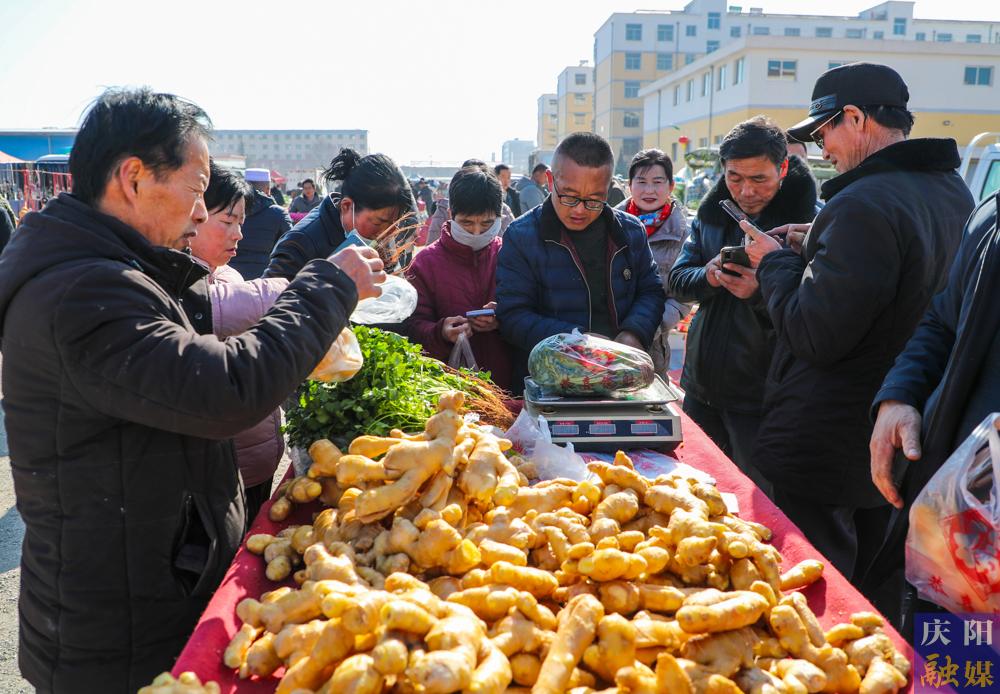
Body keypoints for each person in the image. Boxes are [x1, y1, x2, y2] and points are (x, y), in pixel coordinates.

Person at [0, 87, 384, 692]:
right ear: (133, 178)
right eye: (197, 189)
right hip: (117, 634)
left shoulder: (118, 272)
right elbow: (224, 390)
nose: (203, 213)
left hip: (151, 591)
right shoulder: (82, 294)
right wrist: (325, 288)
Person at [742, 63, 974, 585]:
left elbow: (812, 333)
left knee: (811, 590)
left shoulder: (861, 203)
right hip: (900, 433)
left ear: (855, 117)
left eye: (823, 132)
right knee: (875, 587)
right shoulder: (952, 192)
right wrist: (818, 240)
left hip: (829, 442)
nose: (823, 149)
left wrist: (775, 263)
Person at [863, 191, 999, 629]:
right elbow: (943, 321)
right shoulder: (992, 211)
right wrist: (899, 396)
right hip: (948, 507)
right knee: (940, 651)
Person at [669, 117, 817, 492]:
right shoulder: (711, 213)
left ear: (783, 168)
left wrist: (760, 290)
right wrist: (708, 276)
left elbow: (817, 316)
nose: (745, 191)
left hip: (764, 396)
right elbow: (677, 281)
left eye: (759, 179)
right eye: (734, 178)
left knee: (757, 501)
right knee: (693, 489)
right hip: (701, 384)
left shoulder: (810, 225)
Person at [496, 132, 665, 394]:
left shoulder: (630, 232)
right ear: (550, 180)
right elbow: (513, 315)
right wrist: (577, 341)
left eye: (594, 200)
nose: (579, 209)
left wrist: (633, 333)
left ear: (608, 188)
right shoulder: (522, 236)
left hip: (620, 379)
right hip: (550, 383)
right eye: (569, 196)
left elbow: (651, 291)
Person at [188, 161, 290, 522]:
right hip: (223, 475)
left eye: (241, 223)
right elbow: (217, 308)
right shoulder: (178, 286)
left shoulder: (230, 275)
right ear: (193, 215)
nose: (239, 235)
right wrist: (303, 289)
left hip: (259, 457)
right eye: (228, 222)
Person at [404, 166, 512, 389]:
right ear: (451, 213)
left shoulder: (510, 256)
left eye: (486, 224)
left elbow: (531, 312)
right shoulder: (425, 263)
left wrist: (505, 318)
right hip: (446, 390)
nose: (476, 233)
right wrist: (441, 332)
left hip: (507, 386)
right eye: (467, 223)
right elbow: (412, 328)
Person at [265, 148, 415, 280]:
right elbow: (274, 299)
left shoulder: (382, 234)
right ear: (346, 206)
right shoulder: (299, 244)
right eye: (378, 222)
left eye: (394, 224)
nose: (388, 233)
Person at [615, 149, 691, 377]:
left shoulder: (683, 234)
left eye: (657, 182)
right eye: (641, 181)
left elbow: (683, 298)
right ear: (630, 185)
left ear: (671, 186)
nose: (649, 190)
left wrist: (644, 329)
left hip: (652, 346)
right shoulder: (608, 225)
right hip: (604, 340)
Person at [232, 168, 292, 279]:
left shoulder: (230, 209)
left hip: (231, 277)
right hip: (265, 278)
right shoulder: (278, 213)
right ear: (268, 189)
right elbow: (291, 247)